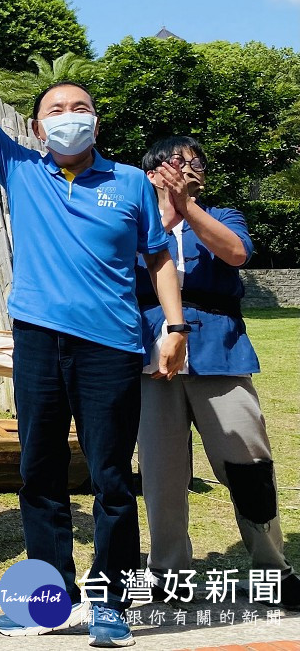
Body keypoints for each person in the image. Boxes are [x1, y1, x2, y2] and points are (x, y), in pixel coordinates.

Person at [0, 33, 188, 648]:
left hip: (112, 346)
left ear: (96, 120)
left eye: (78, 107)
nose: (68, 117)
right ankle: (48, 595)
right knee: (39, 471)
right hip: (37, 340)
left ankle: (111, 600)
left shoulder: (133, 184)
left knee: (112, 477)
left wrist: (173, 328)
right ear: (37, 128)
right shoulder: (22, 168)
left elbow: (161, 259)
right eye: (55, 111)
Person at [135, 137, 299, 610]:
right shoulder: (134, 223)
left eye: (197, 161)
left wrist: (189, 207)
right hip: (153, 355)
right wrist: (167, 209)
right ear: (152, 173)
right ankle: (169, 574)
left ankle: (274, 569)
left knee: (249, 465)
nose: (190, 166)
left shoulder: (223, 215)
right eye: (177, 161)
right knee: (162, 474)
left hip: (220, 354)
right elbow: (122, 268)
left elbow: (236, 254)